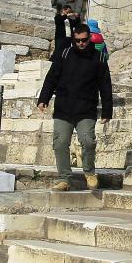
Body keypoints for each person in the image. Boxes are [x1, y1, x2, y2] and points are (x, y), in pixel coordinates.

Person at [37, 23, 113, 192]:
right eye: (77, 40)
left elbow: (105, 85)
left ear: (89, 39)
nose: (81, 44)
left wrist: (107, 110)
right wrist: (44, 98)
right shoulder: (64, 54)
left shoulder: (99, 58)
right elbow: (52, 77)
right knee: (60, 143)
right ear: (73, 39)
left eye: (84, 40)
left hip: (86, 108)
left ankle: (90, 173)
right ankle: (64, 178)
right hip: (64, 108)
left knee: (88, 141)